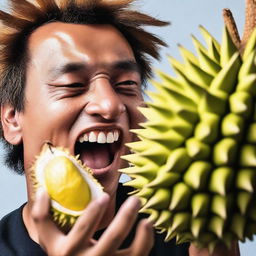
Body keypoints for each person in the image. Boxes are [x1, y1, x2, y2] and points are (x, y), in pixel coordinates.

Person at [0, 0, 240, 255]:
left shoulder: (185, 218)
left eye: (126, 84)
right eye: (72, 85)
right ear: (13, 119)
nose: (109, 104)